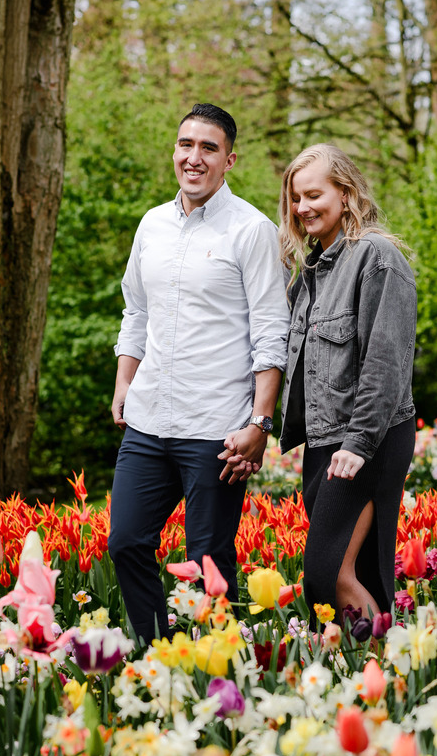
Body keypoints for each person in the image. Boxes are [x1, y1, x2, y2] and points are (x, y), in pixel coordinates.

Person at [109, 104, 289, 643]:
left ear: (228, 159)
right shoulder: (152, 224)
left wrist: (260, 422)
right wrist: (124, 381)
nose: (194, 157)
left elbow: (272, 330)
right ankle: (155, 652)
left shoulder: (253, 231)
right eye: (186, 145)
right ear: (174, 152)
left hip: (216, 430)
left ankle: (219, 673)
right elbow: (136, 311)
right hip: (147, 422)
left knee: (208, 564)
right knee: (126, 542)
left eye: (208, 148)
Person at [277, 144, 417, 622]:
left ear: (346, 192)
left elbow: (387, 360)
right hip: (324, 442)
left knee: (327, 572)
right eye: (296, 198)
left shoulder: (377, 258)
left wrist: (358, 442)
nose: (302, 208)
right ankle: (369, 679)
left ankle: (387, 660)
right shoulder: (309, 275)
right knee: (348, 574)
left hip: (368, 440)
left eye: (314, 194)